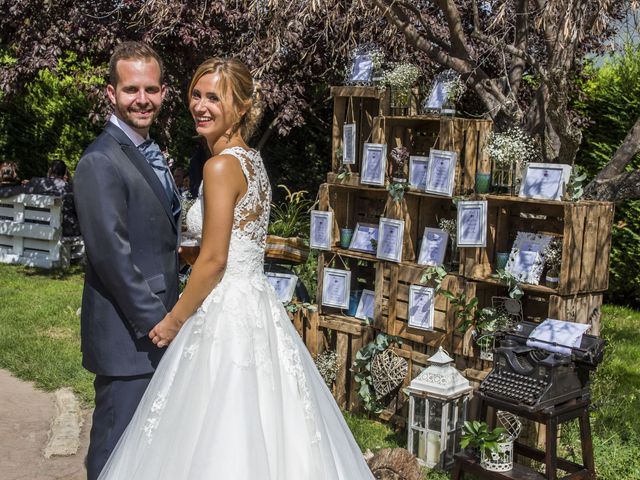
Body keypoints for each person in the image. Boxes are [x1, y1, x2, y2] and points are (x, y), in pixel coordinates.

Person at [98, 58, 374, 480]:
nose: (201, 106)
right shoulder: (252, 162)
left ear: (242, 107)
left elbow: (215, 260)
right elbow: (236, 245)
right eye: (197, 94)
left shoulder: (220, 166)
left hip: (224, 310)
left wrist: (173, 321)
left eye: (215, 98)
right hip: (257, 304)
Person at [73, 41, 181, 480]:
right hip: (130, 334)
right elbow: (111, 254)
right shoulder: (100, 160)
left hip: (153, 328)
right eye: (131, 89)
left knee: (145, 451)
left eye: (151, 89)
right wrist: (158, 323)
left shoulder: (145, 151)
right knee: (114, 450)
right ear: (111, 93)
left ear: (163, 92)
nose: (142, 99)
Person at [24, 160, 81, 237]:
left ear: (50, 170)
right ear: (64, 173)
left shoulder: (35, 182)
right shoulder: (71, 188)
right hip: (63, 232)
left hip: (35, 228)